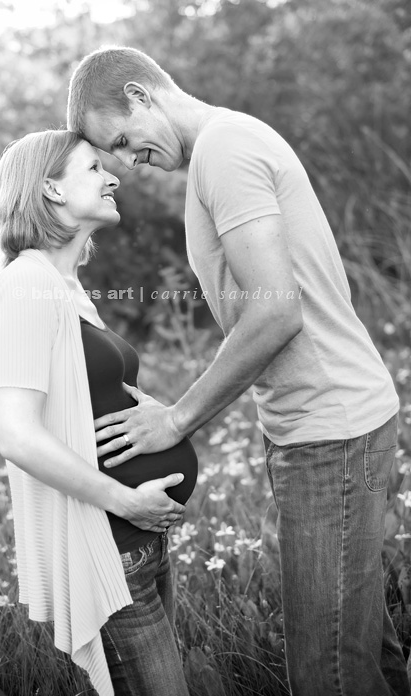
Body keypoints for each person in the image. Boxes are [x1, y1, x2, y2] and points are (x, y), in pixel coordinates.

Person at [67, 46, 406, 696]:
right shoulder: (221, 153)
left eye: (123, 141)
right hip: (327, 425)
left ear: (141, 95)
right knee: (362, 658)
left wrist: (178, 417)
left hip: (331, 434)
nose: (128, 163)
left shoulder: (226, 150)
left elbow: (277, 313)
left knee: (328, 675)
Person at [0, 129, 197, 696]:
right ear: (50, 188)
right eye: (91, 170)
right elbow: (17, 435)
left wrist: (157, 413)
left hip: (140, 541)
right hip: (109, 546)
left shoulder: (65, 285)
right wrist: (126, 500)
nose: (113, 177)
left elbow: (88, 398)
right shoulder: (27, 282)